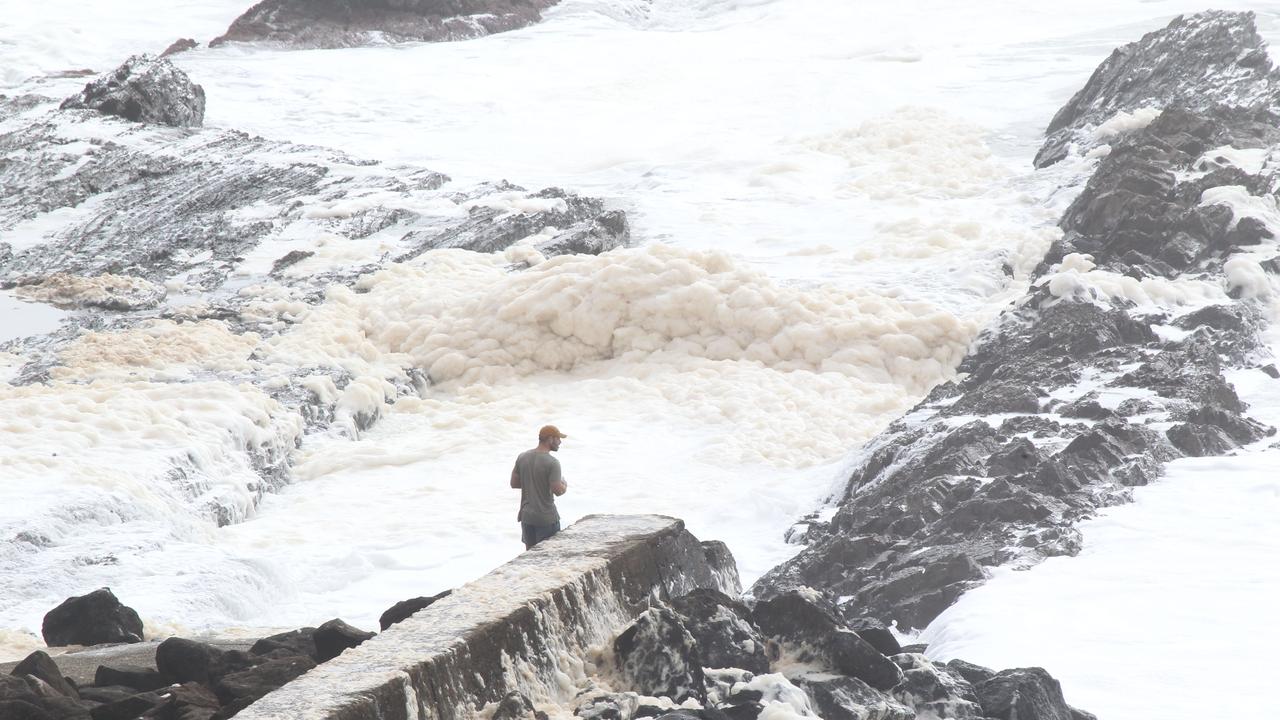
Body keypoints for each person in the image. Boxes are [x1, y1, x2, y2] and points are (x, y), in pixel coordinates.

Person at [510, 424, 569, 549]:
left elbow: (514, 483)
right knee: (549, 558)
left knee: (530, 558)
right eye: (558, 439)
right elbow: (557, 490)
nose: (560, 442)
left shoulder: (523, 457)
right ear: (550, 439)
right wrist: (564, 484)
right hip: (546, 518)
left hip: (527, 517)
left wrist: (533, 482)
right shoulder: (553, 463)